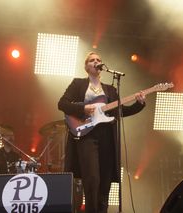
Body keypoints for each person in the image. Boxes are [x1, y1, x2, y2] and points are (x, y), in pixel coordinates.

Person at [58, 52, 146, 213]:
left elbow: (121, 111)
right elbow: (62, 103)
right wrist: (82, 108)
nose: (96, 62)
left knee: (105, 182)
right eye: (92, 60)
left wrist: (139, 104)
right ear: (86, 67)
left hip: (107, 137)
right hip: (86, 136)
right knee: (92, 179)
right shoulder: (78, 84)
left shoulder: (110, 90)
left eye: (99, 60)